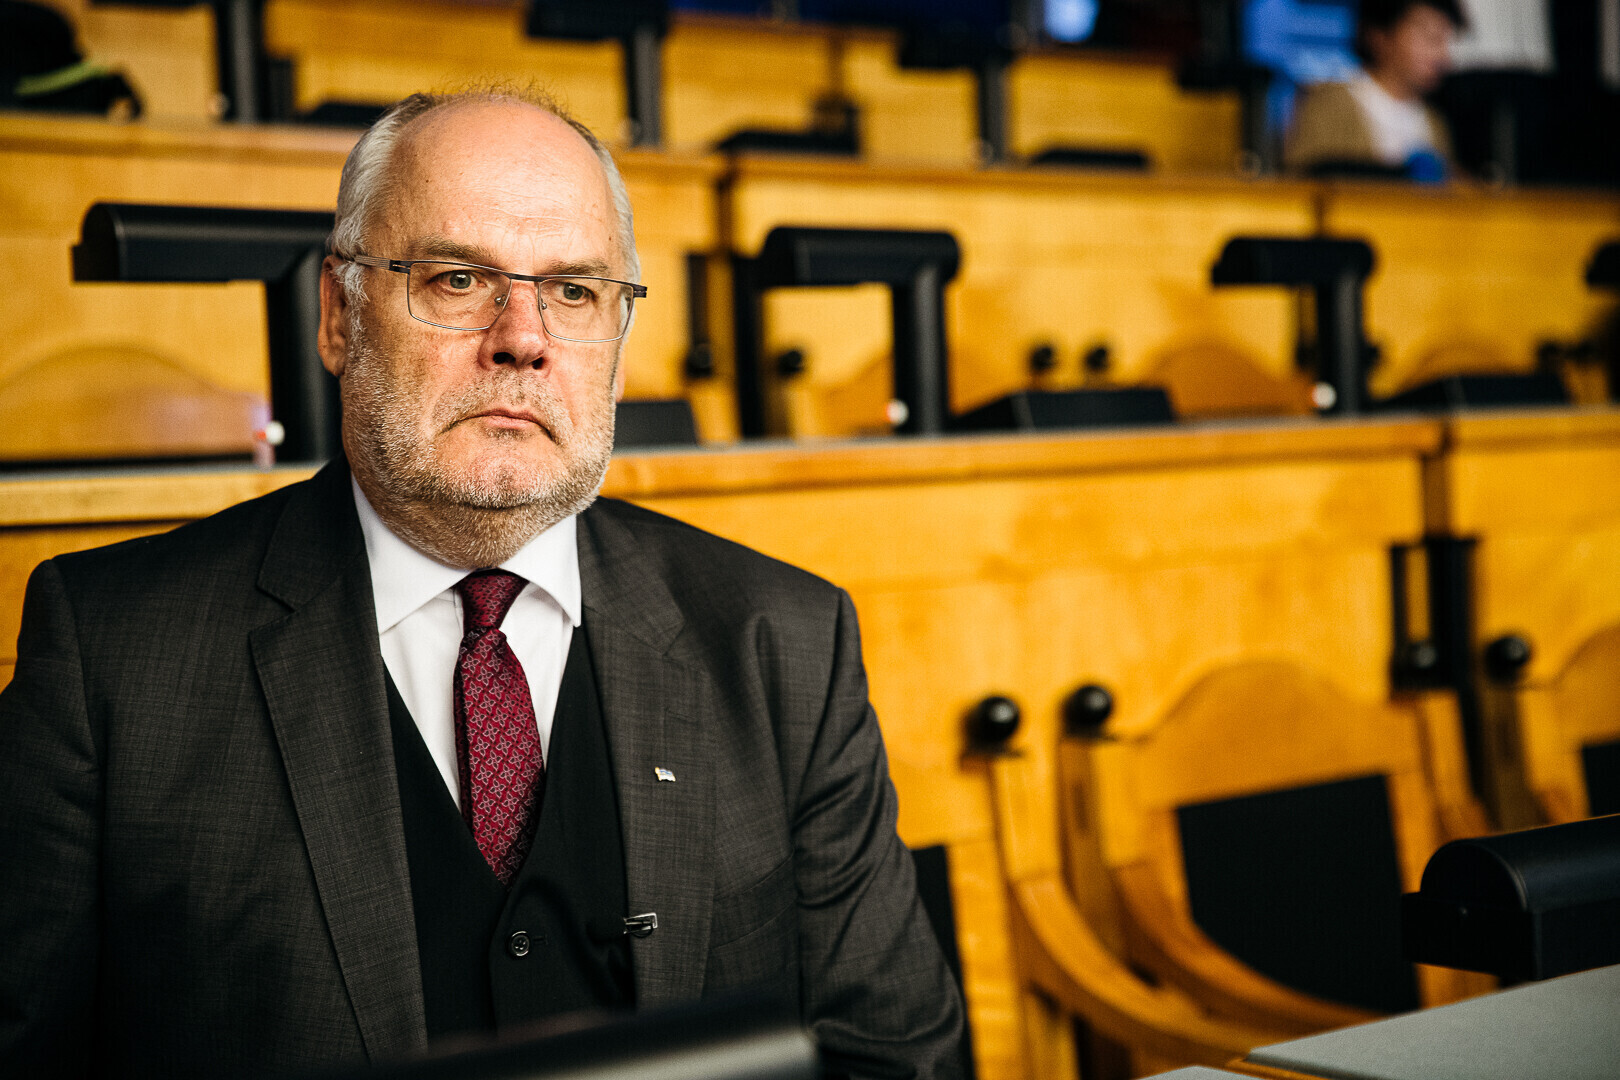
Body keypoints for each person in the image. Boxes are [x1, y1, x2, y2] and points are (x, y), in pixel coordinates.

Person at [0, 87, 963, 1079]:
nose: (524, 337)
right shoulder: (111, 660)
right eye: (459, 280)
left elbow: (894, 1058)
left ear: (619, 348)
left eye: (575, 292)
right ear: (339, 316)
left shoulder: (786, 642)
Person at [1286, 0, 1466, 179]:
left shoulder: (1435, 122)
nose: (1441, 55)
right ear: (1379, 36)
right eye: (1430, 38)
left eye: (1445, 41)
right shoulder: (1329, 104)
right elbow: (1303, 177)